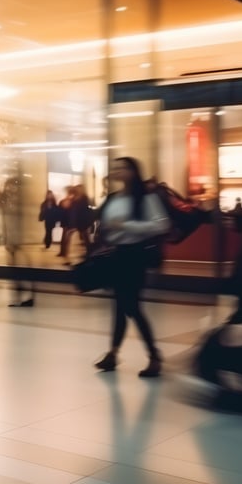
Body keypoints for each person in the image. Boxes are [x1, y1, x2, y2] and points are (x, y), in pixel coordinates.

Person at [93, 157, 170, 377]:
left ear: (133, 171)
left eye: (121, 167)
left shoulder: (145, 197)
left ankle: (153, 355)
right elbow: (105, 225)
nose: (116, 171)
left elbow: (161, 224)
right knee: (120, 307)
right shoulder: (114, 198)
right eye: (115, 167)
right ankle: (113, 354)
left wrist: (126, 226)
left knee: (131, 306)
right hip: (117, 255)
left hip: (135, 256)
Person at [3, 175, 35, 307]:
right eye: (9, 186)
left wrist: (17, 241)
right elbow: (7, 223)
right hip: (13, 242)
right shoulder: (9, 202)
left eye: (13, 186)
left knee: (21, 271)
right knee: (15, 271)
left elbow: (22, 224)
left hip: (19, 243)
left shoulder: (20, 204)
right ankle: (19, 296)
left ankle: (25, 297)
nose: (11, 188)